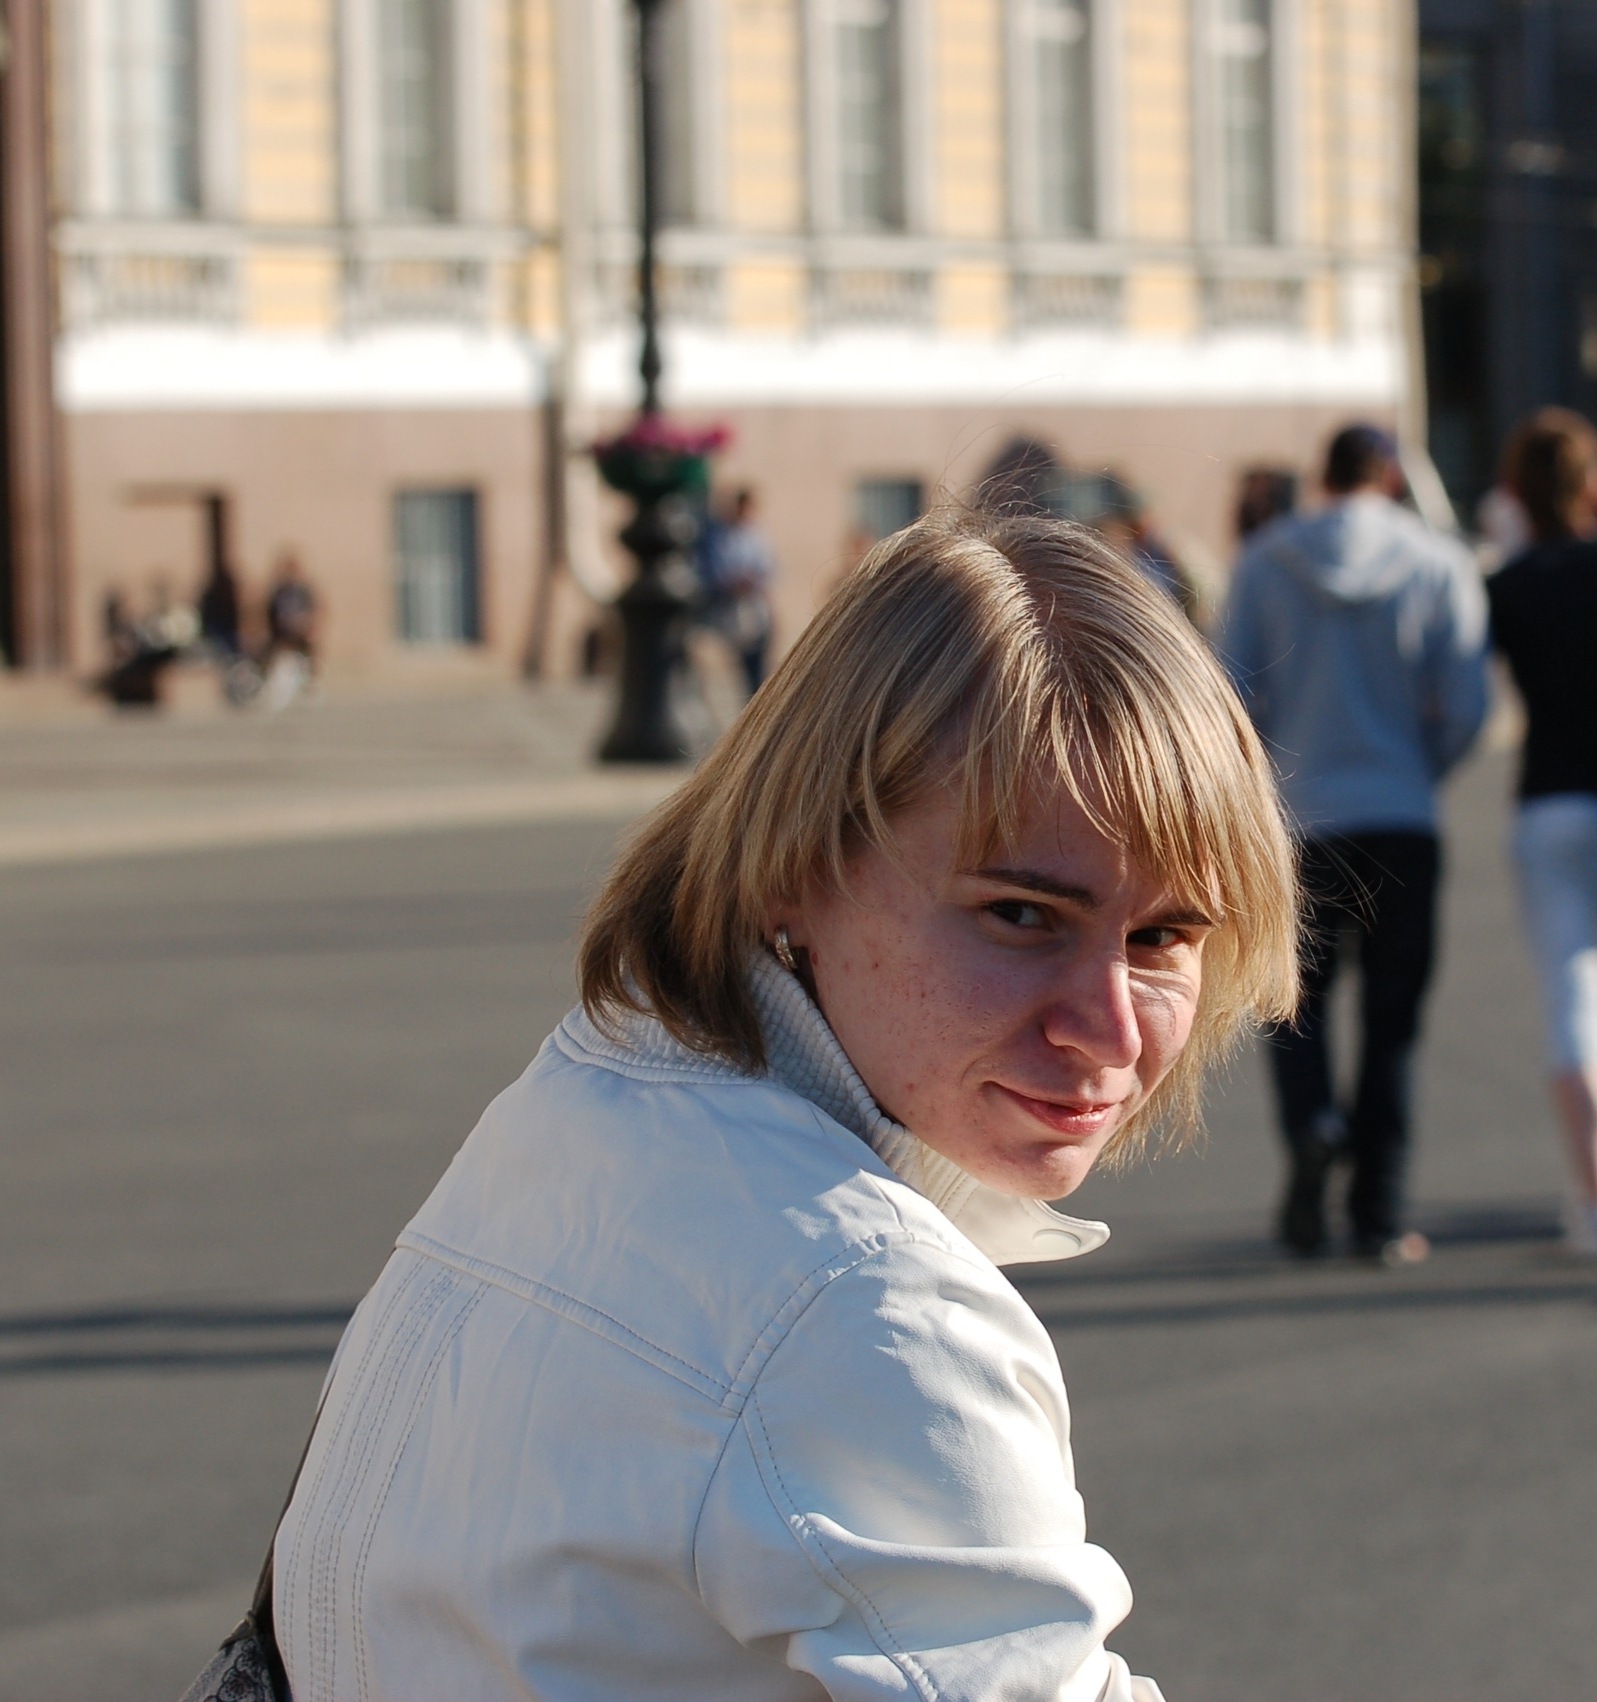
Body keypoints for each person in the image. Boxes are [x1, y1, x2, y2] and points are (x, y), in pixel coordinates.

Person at [273, 511, 1298, 1701]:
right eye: (1021, 915)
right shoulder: (866, 1307)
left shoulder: (592, 1091)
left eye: (1163, 937)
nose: (1111, 1031)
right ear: (795, 869)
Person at [1220, 423, 1490, 1263]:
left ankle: (1312, 1126)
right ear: (1390, 477)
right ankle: (1378, 1212)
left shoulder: (1264, 560)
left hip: (1300, 823)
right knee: (1391, 1021)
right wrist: (1417, 770)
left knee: (1291, 1005)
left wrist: (1267, 784)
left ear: (1322, 475)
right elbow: (1468, 701)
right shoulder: (1435, 560)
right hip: (1400, 815)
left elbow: (1227, 697)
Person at [1487, 408, 1597, 1255]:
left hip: (1549, 801)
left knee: (1571, 1004)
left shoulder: (1507, 585)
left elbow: (1471, 699)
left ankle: (1591, 1199)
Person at [698, 486, 775, 694]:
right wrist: (734, 582)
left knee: (757, 666)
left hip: (754, 609)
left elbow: (769, 569)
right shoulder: (720, 537)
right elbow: (714, 571)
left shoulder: (757, 536)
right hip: (729, 609)